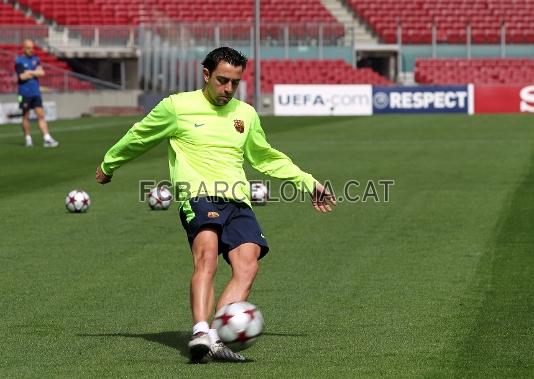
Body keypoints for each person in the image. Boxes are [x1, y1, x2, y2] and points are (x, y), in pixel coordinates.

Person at [95, 47, 335, 363]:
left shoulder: (246, 114)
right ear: (206, 75)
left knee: (249, 263)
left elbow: (265, 157)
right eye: (222, 80)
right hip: (197, 194)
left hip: (237, 199)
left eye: (234, 83)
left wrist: (307, 182)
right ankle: (199, 330)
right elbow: (140, 136)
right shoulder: (177, 107)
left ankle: (215, 338)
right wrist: (109, 164)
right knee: (207, 254)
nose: (228, 89)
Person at [15, 39, 59, 148]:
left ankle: (47, 138)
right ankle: (28, 138)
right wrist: (35, 73)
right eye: (29, 48)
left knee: (41, 115)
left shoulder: (36, 59)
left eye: (32, 47)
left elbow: (42, 72)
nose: (31, 50)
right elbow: (21, 76)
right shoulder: (19, 60)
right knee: (26, 116)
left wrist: (29, 72)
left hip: (35, 93)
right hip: (24, 93)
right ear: (24, 48)